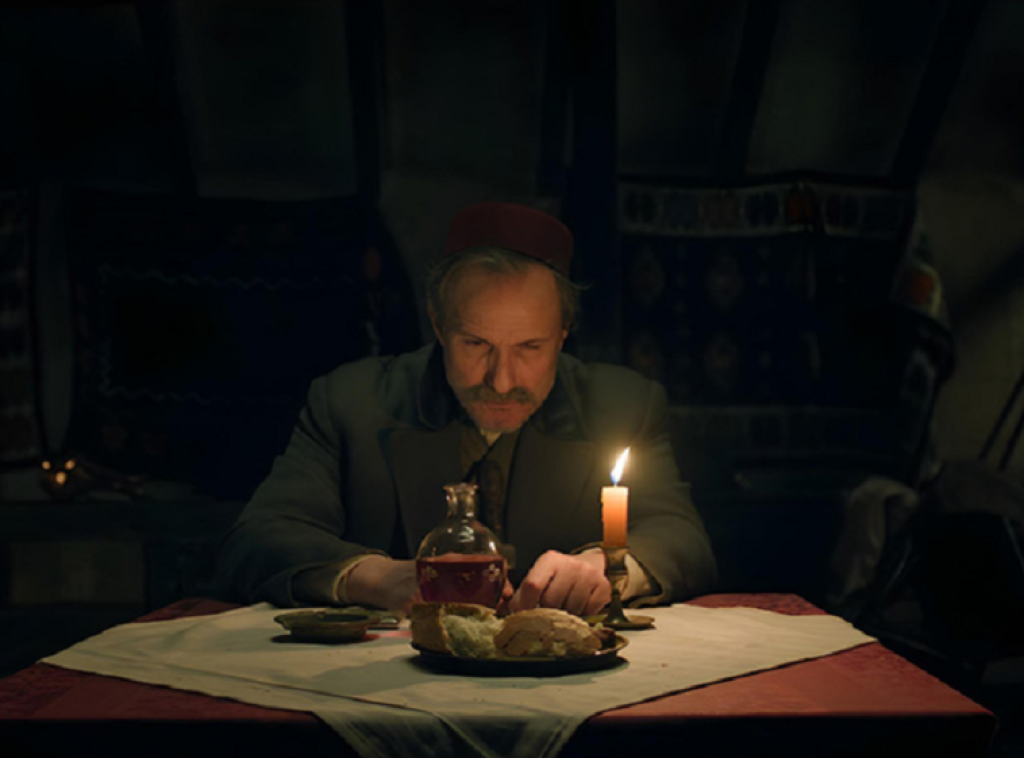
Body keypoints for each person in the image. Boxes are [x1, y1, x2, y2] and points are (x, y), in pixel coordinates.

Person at [216, 202, 716, 616]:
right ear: (438, 325)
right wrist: (377, 578)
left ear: (564, 333)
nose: (501, 381)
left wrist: (603, 569)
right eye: (476, 343)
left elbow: (682, 538)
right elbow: (258, 539)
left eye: (530, 347)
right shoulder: (351, 402)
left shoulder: (621, 405)